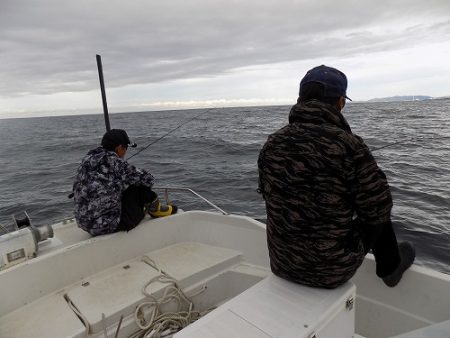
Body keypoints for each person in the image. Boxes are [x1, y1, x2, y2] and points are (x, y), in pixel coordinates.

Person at [258, 65, 415, 289]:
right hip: (330, 271)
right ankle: (390, 269)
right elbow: (378, 209)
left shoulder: (271, 143)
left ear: (300, 99)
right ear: (340, 102)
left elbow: (267, 194)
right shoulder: (349, 146)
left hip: (281, 262)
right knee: (377, 203)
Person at [73, 129, 177, 236]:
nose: (125, 151)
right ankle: (156, 210)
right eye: (125, 148)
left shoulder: (88, 158)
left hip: (85, 222)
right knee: (140, 188)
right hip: (107, 225)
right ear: (119, 148)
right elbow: (149, 179)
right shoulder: (114, 162)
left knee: (125, 185)